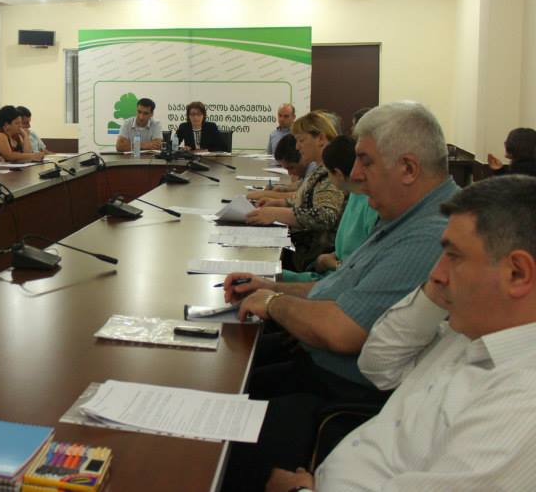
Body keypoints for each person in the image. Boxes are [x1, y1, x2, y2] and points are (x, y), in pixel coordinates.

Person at [219, 101, 460, 492]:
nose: (356, 174)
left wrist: (275, 304)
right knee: (217, 377)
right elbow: (338, 289)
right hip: (316, 369)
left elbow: (343, 331)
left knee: (219, 447)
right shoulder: (402, 216)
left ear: (408, 169)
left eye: (366, 161)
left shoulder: (430, 234)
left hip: (336, 394)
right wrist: (272, 287)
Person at [268, 175, 536, 492]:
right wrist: (435, 293)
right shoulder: (469, 330)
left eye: (454, 256)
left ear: (517, 274)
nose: (435, 274)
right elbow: (378, 364)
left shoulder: (521, 407)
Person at [246, 111, 345, 271]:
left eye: (301, 140)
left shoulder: (330, 173)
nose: (297, 146)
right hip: (306, 249)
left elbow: (325, 216)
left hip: (314, 256)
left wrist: (277, 214)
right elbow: (308, 200)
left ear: (320, 138)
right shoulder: (321, 168)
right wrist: (280, 203)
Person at [281, 135, 378, 282]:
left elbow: (361, 270)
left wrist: (330, 263)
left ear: (337, 174)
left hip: (338, 281)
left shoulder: (371, 205)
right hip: (331, 275)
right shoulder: (354, 195)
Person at [248, 133, 307, 201]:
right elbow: (302, 184)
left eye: (291, 167)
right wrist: (285, 188)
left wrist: (266, 194)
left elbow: (302, 196)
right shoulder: (307, 169)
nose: (289, 173)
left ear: (303, 156)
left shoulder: (313, 168)